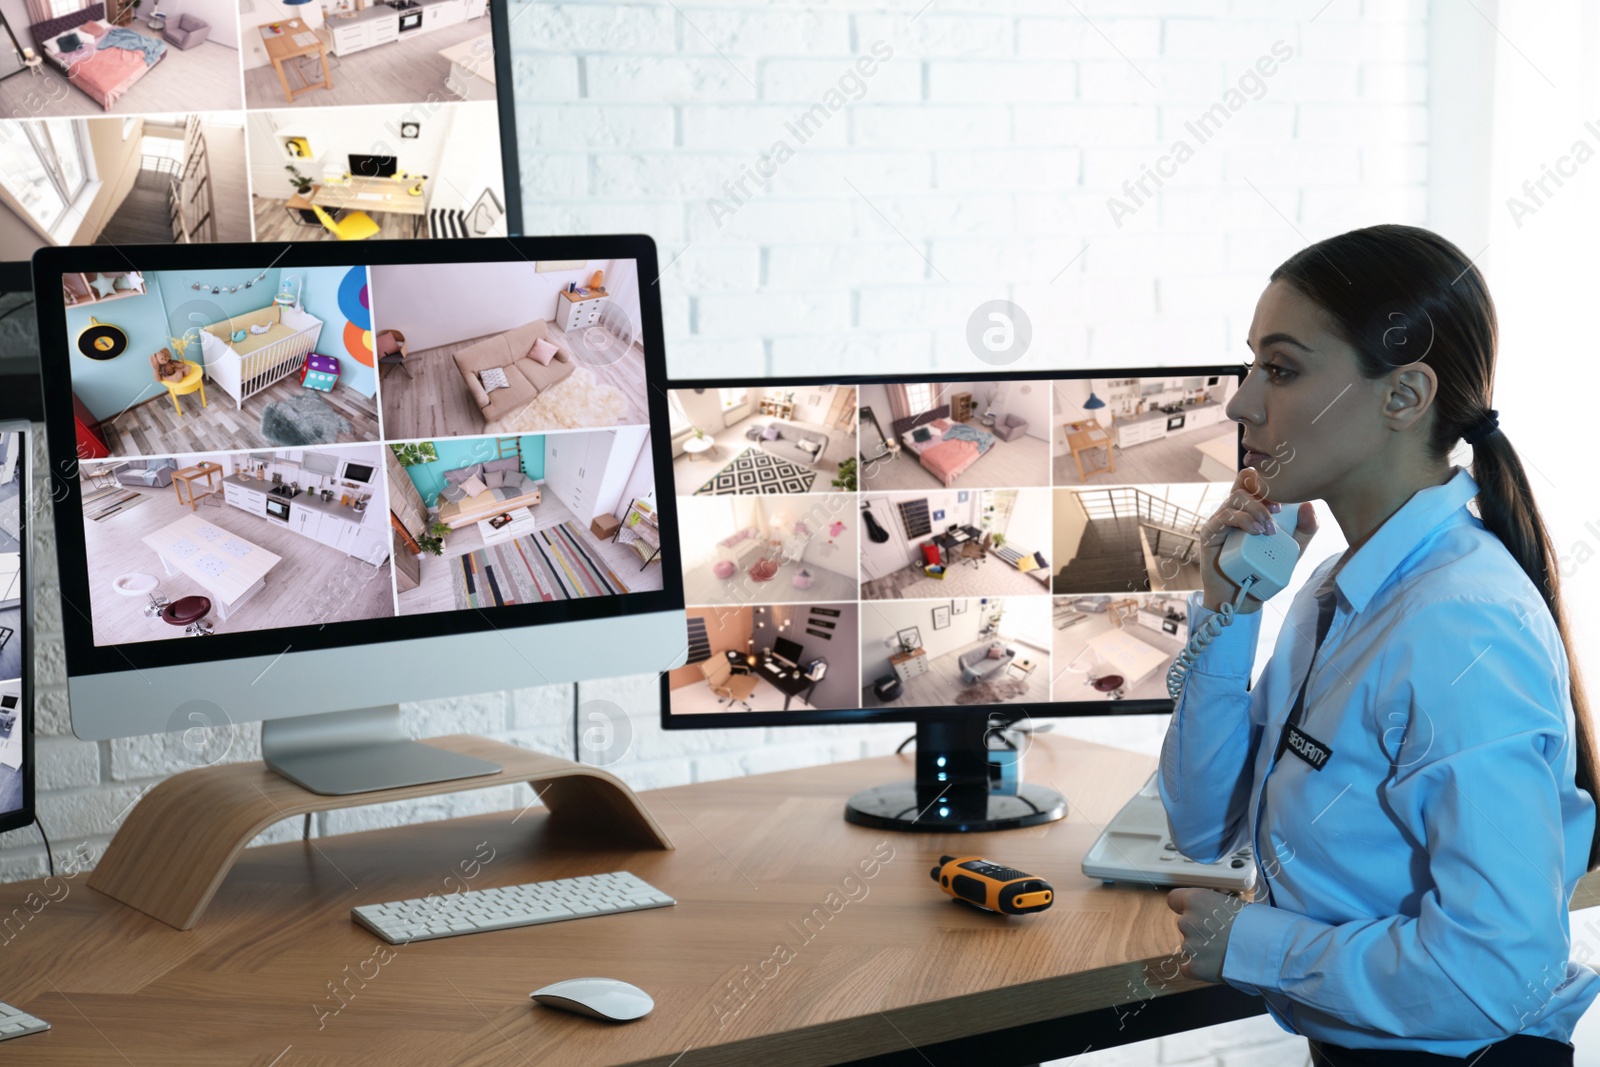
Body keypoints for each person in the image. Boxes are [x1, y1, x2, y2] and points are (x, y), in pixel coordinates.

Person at [1159, 223, 1598, 1065]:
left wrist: (1254, 944)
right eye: (1252, 365)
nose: (1241, 403)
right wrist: (1231, 607)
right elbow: (1201, 822)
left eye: (1280, 369)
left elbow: (1496, 971)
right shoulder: (1332, 596)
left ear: (1403, 396)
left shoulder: (1461, 624)